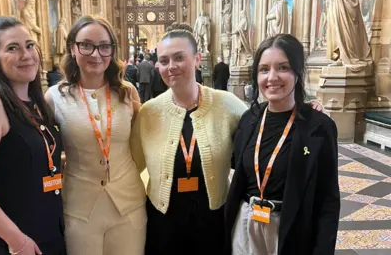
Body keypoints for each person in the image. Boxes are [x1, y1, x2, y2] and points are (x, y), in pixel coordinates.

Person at [130, 23, 248, 255]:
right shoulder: (149, 112)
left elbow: (261, 128)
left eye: (179, 58)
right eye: (164, 60)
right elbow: (131, 164)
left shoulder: (227, 104)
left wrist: (303, 113)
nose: (171, 66)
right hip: (163, 220)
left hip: (212, 219)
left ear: (197, 59)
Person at [0, 16, 66, 255]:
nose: (26, 55)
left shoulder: (36, 103)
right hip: (15, 242)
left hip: (50, 231)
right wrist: (17, 241)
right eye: (12, 48)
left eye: (29, 45)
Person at [224, 34, 340, 255]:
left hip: (291, 229)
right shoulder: (249, 120)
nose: (272, 77)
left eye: (283, 67)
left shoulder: (318, 127)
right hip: (246, 225)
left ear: (297, 72)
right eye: (264, 69)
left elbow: (328, 200)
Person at [45, 15, 146, 255]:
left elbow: (140, 142)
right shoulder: (55, 97)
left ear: (112, 50)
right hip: (80, 207)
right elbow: (45, 149)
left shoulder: (126, 92)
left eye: (104, 46)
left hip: (128, 204)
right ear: (73, 47)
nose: (96, 54)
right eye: (86, 45)